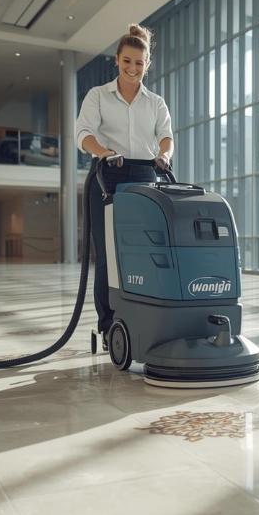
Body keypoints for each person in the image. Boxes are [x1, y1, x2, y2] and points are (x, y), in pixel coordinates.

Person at [75, 23, 173, 341]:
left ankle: (143, 315)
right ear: (117, 60)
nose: (133, 69)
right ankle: (108, 326)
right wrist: (104, 152)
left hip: (147, 175)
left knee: (142, 252)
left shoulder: (155, 103)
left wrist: (164, 156)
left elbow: (166, 137)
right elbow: (83, 134)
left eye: (139, 63)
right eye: (127, 61)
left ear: (147, 65)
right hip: (108, 174)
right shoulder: (98, 96)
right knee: (108, 255)